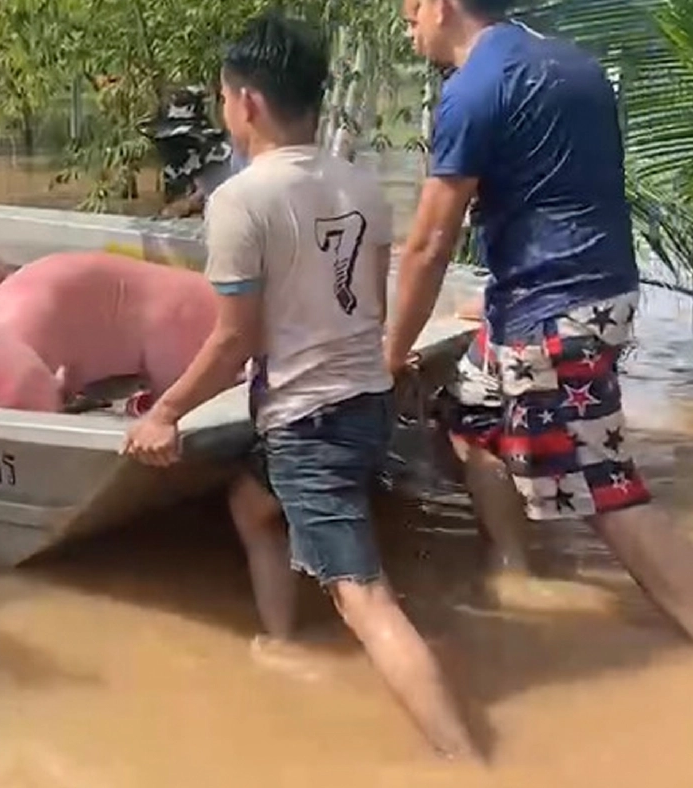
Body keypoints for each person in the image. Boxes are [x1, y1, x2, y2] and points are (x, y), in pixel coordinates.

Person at [121, 12, 477, 758]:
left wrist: (165, 412)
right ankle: (280, 643)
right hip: (364, 405)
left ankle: (465, 757)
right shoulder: (362, 185)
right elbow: (369, 308)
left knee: (363, 597)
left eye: (224, 97)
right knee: (252, 505)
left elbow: (234, 341)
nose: (225, 109)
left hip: (308, 425)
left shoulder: (240, 200)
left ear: (246, 102)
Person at [391, 0, 693, 636]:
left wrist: (391, 352)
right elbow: (563, 192)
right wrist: (500, 298)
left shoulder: (473, 89)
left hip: (553, 313)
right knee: (469, 411)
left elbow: (428, 245)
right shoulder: (572, 64)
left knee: (601, 486)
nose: (405, 23)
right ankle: (514, 566)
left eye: (409, 9)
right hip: (591, 293)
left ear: (442, 5)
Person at [139, 86, 246, 218]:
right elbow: (210, 186)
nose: (174, 149)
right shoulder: (205, 163)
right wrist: (190, 203)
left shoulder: (233, 159)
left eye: (180, 142)